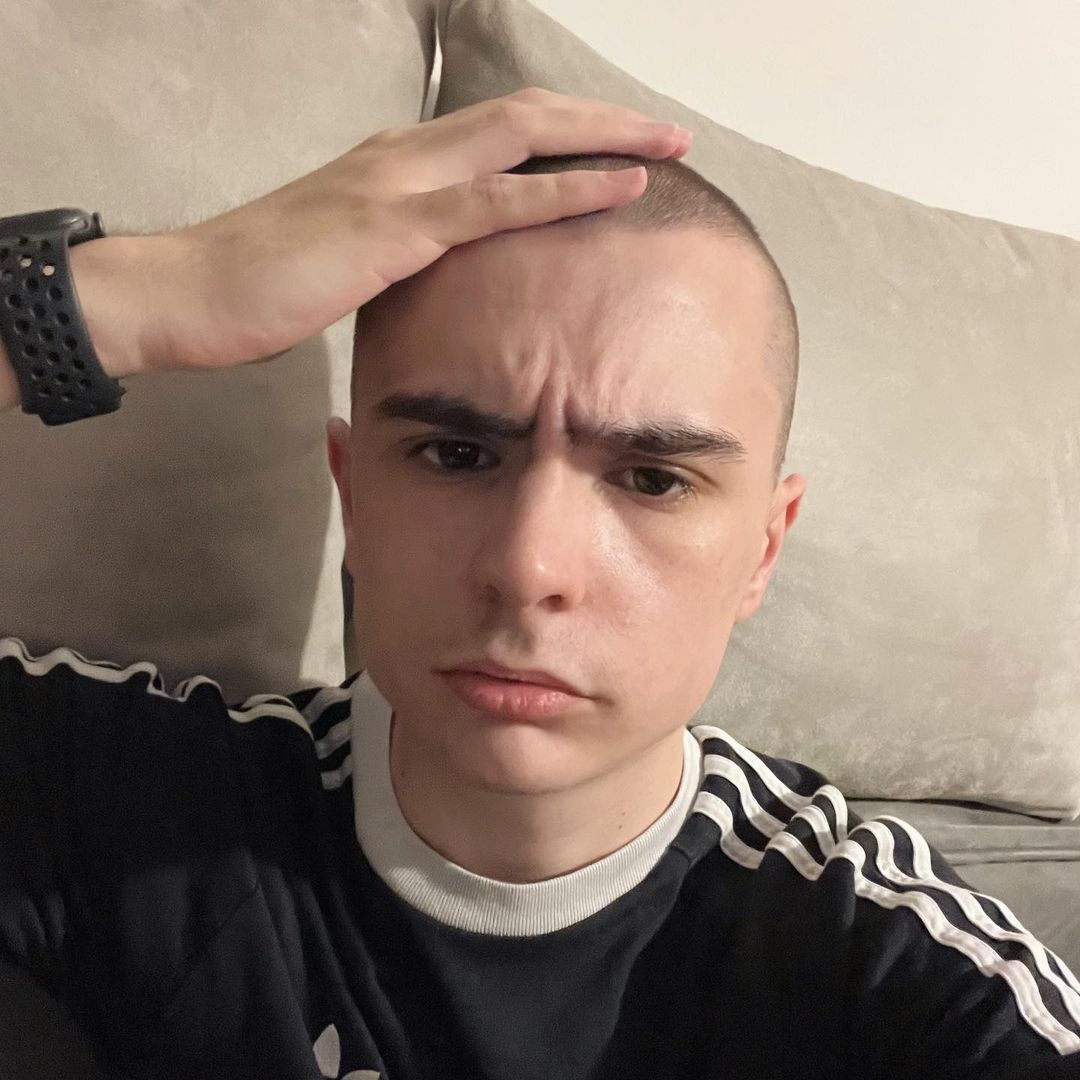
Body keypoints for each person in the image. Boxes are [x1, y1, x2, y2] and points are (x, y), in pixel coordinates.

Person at [0, 88, 1077, 1080]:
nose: (529, 568)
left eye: (654, 479)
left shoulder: (880, 953)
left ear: (763, 549)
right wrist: (139, 294)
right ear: (353, 498)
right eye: (456, 454)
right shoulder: (150, 807)